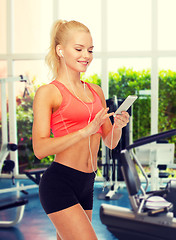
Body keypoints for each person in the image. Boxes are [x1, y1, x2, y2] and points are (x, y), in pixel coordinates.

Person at [32, 19, 130, 240]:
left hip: (87, 182)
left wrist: (119, 127)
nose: (86, 55)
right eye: (78, 49)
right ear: (60, 50)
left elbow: (109, 141)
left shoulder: (96, 91)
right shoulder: (49, 92)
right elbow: (39, 148)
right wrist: (85, 132)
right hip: (60, 182)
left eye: (90, 50)